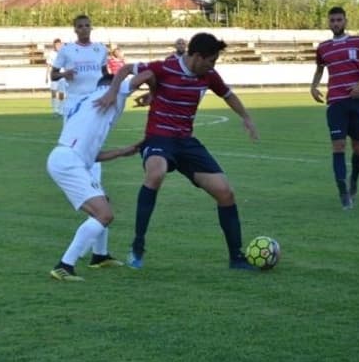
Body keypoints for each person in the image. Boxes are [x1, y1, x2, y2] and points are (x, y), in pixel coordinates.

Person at [98, 32, 262, 271]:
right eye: (210, 61)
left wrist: (246, 117)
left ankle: (236, 258)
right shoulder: (165, 67)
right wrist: (113, 92)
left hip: (186, 142)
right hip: (159, 137)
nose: (212, 66)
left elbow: (227, 94)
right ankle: (138, 243)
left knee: (225, 192)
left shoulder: (208, 75)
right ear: (196, 56)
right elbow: (125, 70)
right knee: (156, 173)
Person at [47, 74, 144, 281]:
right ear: (108, 87)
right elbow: (143, 76)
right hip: (69, 162)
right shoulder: (107, 94)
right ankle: (64, 265)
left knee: (103, 204)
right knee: (104, 214)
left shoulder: (88, 105)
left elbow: (92, 155)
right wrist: (154, 90)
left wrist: (122, 151)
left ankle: (99, 256)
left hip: (69, 158)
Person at [310, 7, 359, 210]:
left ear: (345, 21)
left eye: (339, 20)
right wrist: (313, 86)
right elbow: (320, 69)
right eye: (332, 20)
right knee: (338, 146)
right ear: (328, 23)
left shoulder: (358, 43)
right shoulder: (323, 48)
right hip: (335, 103)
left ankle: (354, 180)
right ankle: (343, 191)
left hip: (356, 102)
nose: (335, 23)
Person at [50, 14, 110, 180]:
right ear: (75, 30)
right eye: (80, 26)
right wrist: (64, 73)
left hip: (95, 103)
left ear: (91, 28)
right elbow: (53, 75)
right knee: (71, 143)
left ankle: (94, 182)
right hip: (74, 102)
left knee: (93, 142)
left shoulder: (101, 49)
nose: (84, 29)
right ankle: (74, 177)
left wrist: (109, 91)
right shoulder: (67, 50)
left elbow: (105, 74)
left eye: (87, 25)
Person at [45, 38, 66, 116]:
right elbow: (48, 65)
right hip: (54, 75)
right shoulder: (51, 54)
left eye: (59, 44)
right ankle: (55, 110)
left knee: (61, 94)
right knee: (53, 93)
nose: (58, 46)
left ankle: (61, 110)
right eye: (56, 45)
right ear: (54, 45)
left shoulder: (64, 53)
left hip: (62, 75)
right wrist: (46, 76)